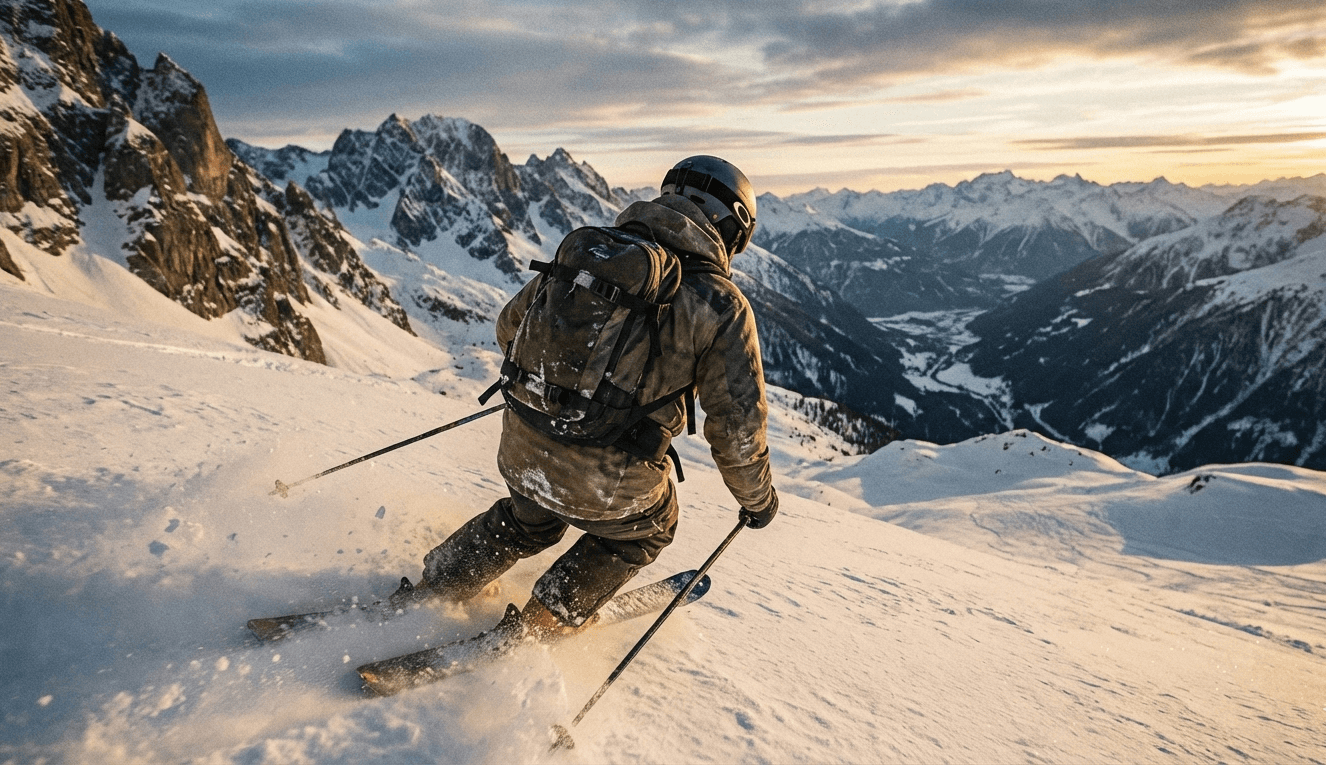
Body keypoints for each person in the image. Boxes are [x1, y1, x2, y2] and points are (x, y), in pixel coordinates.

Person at [407, 155, 779, 638]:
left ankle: (435, 586)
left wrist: (566, 387)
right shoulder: (720, 304)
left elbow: (508, 329)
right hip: (608, 480)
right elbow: (737, 431)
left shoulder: (591, 257)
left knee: (530, 519)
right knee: (648, 529)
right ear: (732, 230)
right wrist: (757, 500)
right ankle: (538, 625)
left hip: (522, 447)